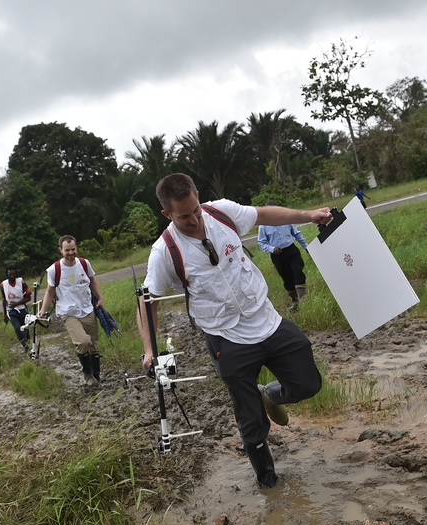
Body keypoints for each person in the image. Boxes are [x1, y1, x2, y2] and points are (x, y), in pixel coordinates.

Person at [138, 173, 330, 489]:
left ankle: (271, 393)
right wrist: (149, 349)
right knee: (249, 415)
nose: (193, 219)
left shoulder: (221, 212)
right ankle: (266, 476)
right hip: (226, 338)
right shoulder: (165, 251)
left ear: (198, 197)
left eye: (195, 209)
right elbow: (148, 300)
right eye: (183, 216)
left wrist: (308, 216)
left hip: (266, 318)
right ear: (167, 214)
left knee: (308, 383)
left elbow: (263, 214)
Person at [38, 235, 105, 385]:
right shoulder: (54, 270)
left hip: (87, 309)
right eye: (67, 250)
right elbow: (50, 291)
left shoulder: (84, 263)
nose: (70, 253)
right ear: (60, 250)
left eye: (73, 249)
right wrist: (43, 310)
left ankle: (96, 375)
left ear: (76, 248)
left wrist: (100, 298)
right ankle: (87, 374)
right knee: (83, 342)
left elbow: (92, 281)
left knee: (94, 345)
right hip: (68, 312)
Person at [257, 201, 309, 311]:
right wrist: (272, 249)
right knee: (287, 279)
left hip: (291, 250)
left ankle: (303, 300)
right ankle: (295, 301)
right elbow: (261, 243)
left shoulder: (286, 220)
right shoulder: (263, 226)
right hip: (278, 256)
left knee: (298, 271)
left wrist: (306, 246)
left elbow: (296, 233)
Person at [0, 267, 31, 355]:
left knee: (25, 329)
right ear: (7, 275)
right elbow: (4, 299)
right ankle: (25, 347)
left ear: (16, 274)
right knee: (17, 328)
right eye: (10, 274)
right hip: (11, 311)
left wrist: (17, 303)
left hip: (22, 309)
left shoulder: (22, 283)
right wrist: (5, 315)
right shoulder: (3, 285)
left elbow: (29, 297)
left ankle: (27, 340)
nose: (12, 276)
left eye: (13, 274)